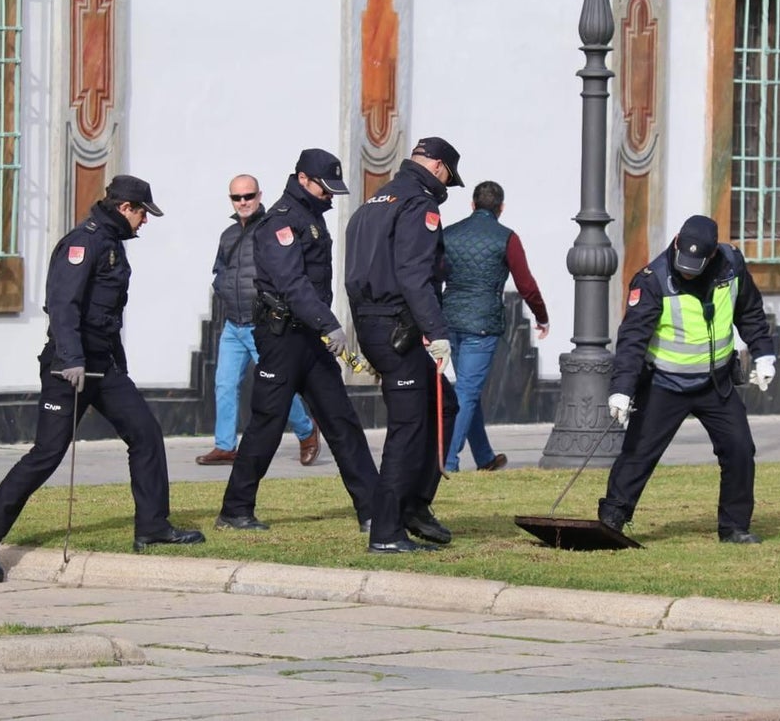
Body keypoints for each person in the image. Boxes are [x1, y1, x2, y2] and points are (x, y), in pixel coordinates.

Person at [0, 175, 205, 583]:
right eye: (143, 212)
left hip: (102, 366)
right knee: (47, 454)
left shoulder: (111, 245)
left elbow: (107, 315)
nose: (145, 221)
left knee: (146, 433)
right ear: (125, 208)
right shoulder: (84, 242)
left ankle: (153, 526)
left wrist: (114, 364)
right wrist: (69, 358)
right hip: (68, 368)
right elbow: (62, 303)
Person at [215, 149, 379, 535]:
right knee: (267, 425)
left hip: (311, 339)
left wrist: (323, 328)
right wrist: (330, 324)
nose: (330, 196)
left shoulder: (310, 218)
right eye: (325, 188)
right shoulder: (281, 223)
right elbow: (292, 284)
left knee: (341, 421)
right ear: (303, 180)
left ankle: (374, 510)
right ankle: (235, 510)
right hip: (282, 338)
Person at [598, 214, 776, 544]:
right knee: (638, 454)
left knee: (739, 449)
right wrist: (621, 389)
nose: (687, 269)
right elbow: (633, 339)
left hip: (716, 383)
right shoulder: (652, 280)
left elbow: (749, 311)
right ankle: (611, 519)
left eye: (696, 264)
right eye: (683, 261)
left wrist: (764, 352)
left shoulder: (732, 266)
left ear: (712, 257)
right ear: (677, 242)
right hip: (664, 384)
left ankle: (734, 527)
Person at [345, 136, 462, 553]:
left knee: (444, 406)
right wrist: (439, 332)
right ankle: (387, 532)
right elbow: (414, 274)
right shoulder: (419, 205)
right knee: (408, 428)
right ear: (439, 169)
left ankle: (413, 505)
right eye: (449, 177)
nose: (447, 186)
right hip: (401, 327)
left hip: (375, 324)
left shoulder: (371, 204)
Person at [195, 174, 321, 467]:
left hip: (261, 323)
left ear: (259, 195)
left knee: (276, 385)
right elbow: (220, 270)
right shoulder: (227, 234)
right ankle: (225, 446)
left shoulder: (270, 228)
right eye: (237, 198)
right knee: (224, 385)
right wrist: (222, 288)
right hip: (232, 324)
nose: (243, 202)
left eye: (248, 196)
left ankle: (306, 430)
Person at [441, 180, 549, 473]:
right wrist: (541, 316)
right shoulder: (506, 238)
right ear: (501, 208)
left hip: (450, 320)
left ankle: (485, 457)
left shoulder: (448, 234)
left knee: (467, 387)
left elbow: (431, 274)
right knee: (467, 390)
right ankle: (447, 461)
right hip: (483, 324)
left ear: (472, 205)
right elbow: (526, 284)